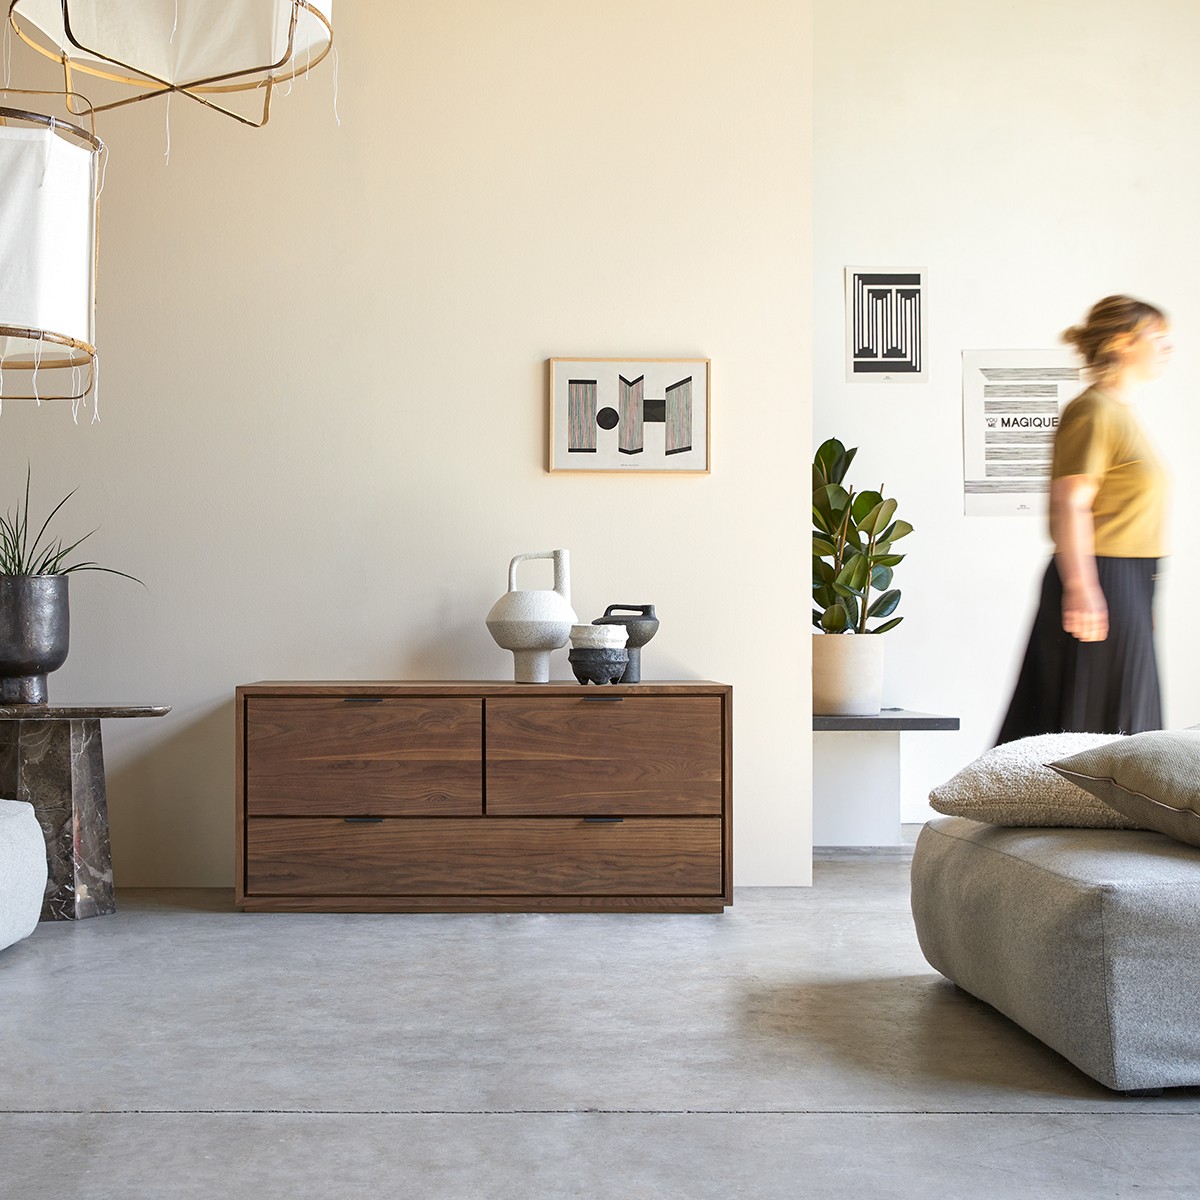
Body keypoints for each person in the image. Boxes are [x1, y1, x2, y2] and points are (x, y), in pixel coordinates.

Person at [997, 295, 1173, 743]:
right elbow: (1071, 501)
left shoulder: (1118, 413)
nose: (1166, 346)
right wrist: (1082, 588)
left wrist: (1142, 599)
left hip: (1126, 580)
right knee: (1096, 727)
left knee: (1122, 723)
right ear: (1122, 341)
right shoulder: (1094, 410)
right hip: (1101, 574)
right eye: (1156, 335)